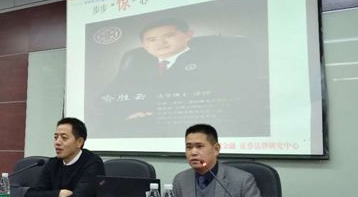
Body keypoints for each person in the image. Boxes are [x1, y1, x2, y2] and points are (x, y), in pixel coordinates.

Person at [92, 18, 268, 138]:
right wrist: (128, 114)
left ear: (188, 35)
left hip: (191, 129)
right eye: (151, 39)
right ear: (144, 45)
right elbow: (107, 98)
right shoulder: (136, 63)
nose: (160, 43)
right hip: (139, 128)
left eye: (168, 36)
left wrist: (152, 113)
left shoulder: (212, 58)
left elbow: (226, 96)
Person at [173, 124, 274, 197]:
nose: (193, 152)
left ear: (216, 149)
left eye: (199, 146)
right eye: (189, 147)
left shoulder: (242, 181)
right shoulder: (180, 180)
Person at [25, 117, 105, 197]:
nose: (57, 142)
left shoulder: (92, 163)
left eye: (64, 138)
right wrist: (58, 194)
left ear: (79, 142)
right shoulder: (53, 163)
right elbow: (30, 195)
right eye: (56, 137)